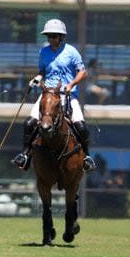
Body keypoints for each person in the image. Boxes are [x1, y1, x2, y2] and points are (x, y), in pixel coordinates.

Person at [10, 18, 96, 173]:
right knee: (29, 123)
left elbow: (83, 72)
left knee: (81, 126)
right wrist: (37, 78)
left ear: (61, 37)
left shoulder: (71, 51)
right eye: (48, 36)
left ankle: (87, 157)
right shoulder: (44, 52)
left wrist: (71, 85)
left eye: (54, 36)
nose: (51, 39)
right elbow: (43, 71)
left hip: (66, 94)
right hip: (47, 94)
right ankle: (25, 155)